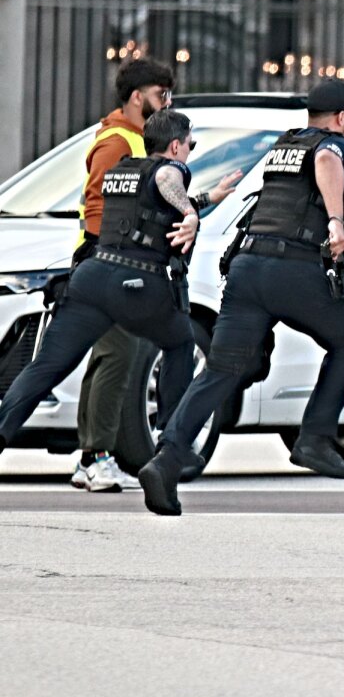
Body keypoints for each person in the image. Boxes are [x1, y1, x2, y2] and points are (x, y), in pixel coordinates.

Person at [137, 80, 344, 516]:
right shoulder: (334, 144)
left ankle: (167, 459)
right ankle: (314, 438)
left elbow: (307, 185)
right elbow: (328, 162)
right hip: (294, 271)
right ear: (343, 118)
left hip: (248, 269)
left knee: (220, 368)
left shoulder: (285, 146)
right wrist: (335, 221)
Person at [0, 111, 239, 472]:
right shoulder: (171, 169)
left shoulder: (123, 171)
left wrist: (209, 197)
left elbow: (152, 199)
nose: (191, 150)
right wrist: (190, 212)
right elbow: (167, 179)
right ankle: (173, 445)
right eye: (190, 143)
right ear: (175, 145)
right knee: (179, 344)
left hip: (91, 278)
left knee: (46, 367)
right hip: (135, 284)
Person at [70, 58, 175, 492]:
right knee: (119, 356)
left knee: (108, 357)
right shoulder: (118, 143)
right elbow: (98, 207)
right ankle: (97, 458)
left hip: (108, 265)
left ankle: (89, 458)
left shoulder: (134, 138)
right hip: (109, 266)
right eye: (161, 94)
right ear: (138, 97)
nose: (167, 102)